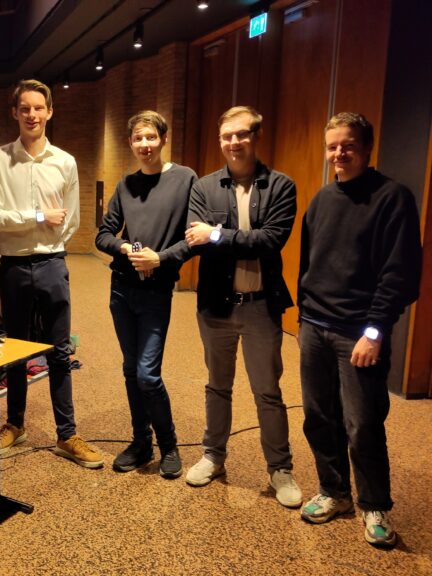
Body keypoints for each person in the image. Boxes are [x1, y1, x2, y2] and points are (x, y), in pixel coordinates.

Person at [297, 112, 422, 547]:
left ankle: (375, 505)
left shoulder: (393, 198)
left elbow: (401, 274)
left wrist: (375, 331)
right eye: (332, 146)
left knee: (363, 423)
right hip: (314, 326)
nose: (339, 153)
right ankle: (334, 492)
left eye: (347, 145)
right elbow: (309, 262)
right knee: (318, 417)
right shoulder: (322, 199)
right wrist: (304, 315)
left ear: (367, 148)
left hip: (358, 334)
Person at [0, 79, 103, 468]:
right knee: (15, 349)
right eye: (25, 108)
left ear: (50, 111)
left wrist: (48, 236)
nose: (32, 115)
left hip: (52, 264)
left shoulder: (65, 162)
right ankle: (14, 424)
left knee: (60, 350)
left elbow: (72, 220)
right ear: (15, 113)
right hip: (14, 266)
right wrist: (37, 219)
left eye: (39, 108)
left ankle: (67, 434)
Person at [183, 105, 302, 507]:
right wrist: (218, 237)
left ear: (256, 136)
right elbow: (194, 238)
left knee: (267, 390)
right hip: (215, 306)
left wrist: (215, 235)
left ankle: (280, 468)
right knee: (218, 385)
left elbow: (271, 240)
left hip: (261, 306)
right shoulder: (203, 187)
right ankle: (213, 456)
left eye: (242, 135)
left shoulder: (281, 185)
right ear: (220, 141)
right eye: (227, 136)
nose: (234, 142)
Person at [95, 111, 196, 479]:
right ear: (131, 143)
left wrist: (161, 258)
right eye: (138, 138)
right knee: (129, 370)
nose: (145, 145)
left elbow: (193, 236)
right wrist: (127, 249)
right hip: (122, 289)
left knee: (147, 374)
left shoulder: (185, 179)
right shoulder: (125, 184)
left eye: (151, 137)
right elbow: (104, 235)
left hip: (156, 290)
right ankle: (141, 442)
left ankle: (168, 445)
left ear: (164, 138)